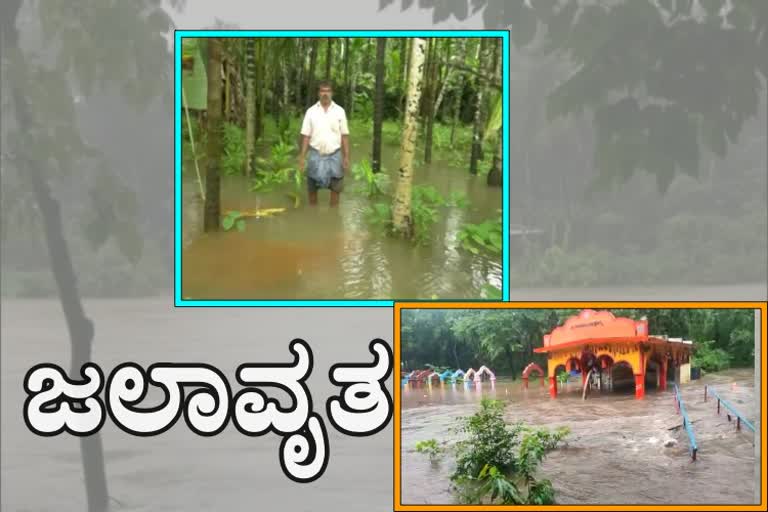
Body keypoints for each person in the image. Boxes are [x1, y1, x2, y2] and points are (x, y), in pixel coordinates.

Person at [297, 80, 350, 206]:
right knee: (312, 189)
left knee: (336, 189)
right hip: (315, 155)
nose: (325, 94)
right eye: (322, 91)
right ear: (318, 93)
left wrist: (346, 156)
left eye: (328, 91)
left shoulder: (339, 111)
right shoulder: (311, 111)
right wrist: (302, 157)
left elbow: (344, 136)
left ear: (332, 93)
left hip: (335, 155)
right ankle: (313, 216)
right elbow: (306, 136)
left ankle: (332, 217)